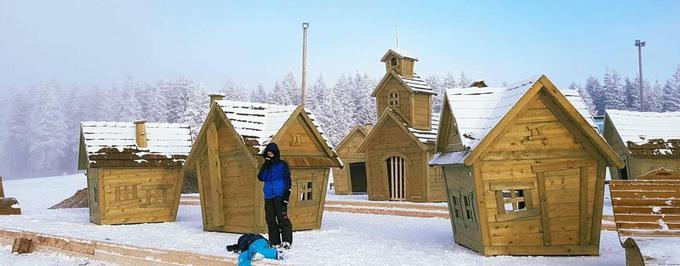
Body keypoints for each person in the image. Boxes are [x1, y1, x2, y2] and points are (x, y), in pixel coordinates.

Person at [257, 142, 293, 248]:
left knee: (282, 218)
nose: (270, 155)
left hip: (280, 195)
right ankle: (274, 242)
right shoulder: (266, 166)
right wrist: (266, 166)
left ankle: (286, 241)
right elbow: (261, 177)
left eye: (271, 154)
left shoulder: (282, 164)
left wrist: (286, 195)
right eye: (268, 154)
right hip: (268, 196)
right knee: (270, 219)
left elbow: (287, 179)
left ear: (276, 154)